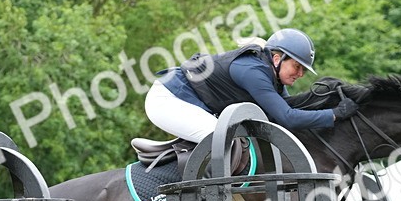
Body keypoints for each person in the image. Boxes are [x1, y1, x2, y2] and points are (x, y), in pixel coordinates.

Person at [144, 29, 357, 145]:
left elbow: (285, 112)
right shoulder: (254, 72)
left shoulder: (272, 77)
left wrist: (330, 105)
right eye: (297, 66)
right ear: (276, 58)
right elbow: (288, 117)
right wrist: (334, 115)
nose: (300, 74)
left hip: (191, 102)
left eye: (303, 69)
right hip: (169, 99)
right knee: (224, 141)